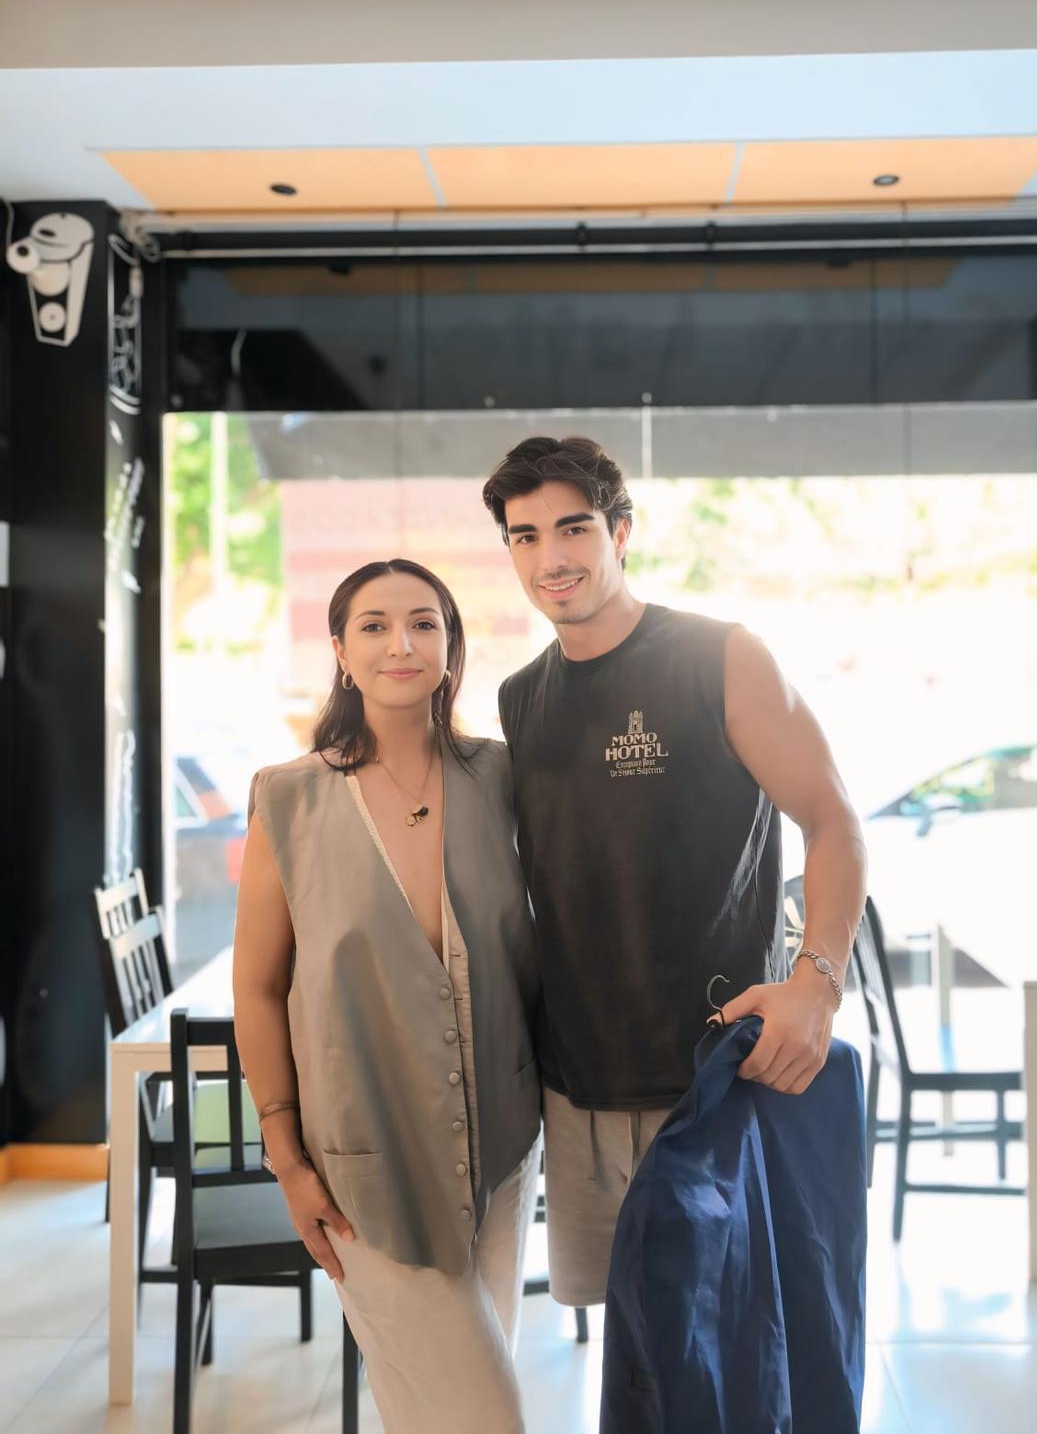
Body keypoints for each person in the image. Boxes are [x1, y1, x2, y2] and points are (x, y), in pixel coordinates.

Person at [482, 435, 867, 1311]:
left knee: (726, 1336)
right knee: (637, 1346)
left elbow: (834, 820)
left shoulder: (719, 656)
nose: (551, 557)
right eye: (525, 535)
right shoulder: (520, 697)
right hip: (576, 1084)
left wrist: (818, 982)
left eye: (572, 529)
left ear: (621, 533)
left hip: (716, 1067)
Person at [233, 558, 540, 1434]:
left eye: (423, 622)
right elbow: (257, 988)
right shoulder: (288, 798)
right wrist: (287, 1162)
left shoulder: (502, 779)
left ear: (451, 645)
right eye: (373, 625)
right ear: (339, 648)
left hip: (503, 1152)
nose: (400, 643)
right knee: (488, 1418)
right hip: (361, 1167)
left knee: (436, 1412)